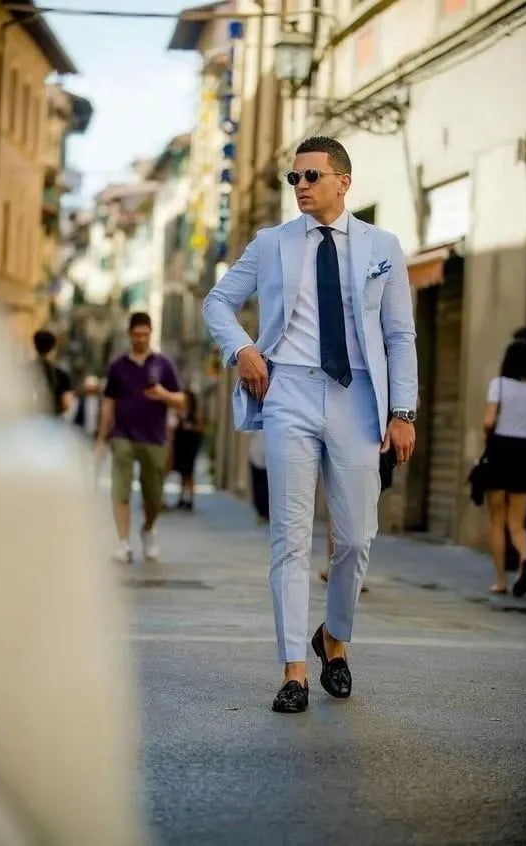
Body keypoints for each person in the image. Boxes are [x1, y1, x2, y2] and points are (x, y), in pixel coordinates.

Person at [203, 136, 417, 713]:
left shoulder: (382, 247)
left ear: (343, 182)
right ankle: (294, 670)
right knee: (290, 536)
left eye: (311, 176)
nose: (300, 186)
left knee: (355, 538)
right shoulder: (271, 243)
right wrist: (243, 349)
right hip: (289, 391)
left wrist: (403, 412)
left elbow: (400, 336)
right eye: (293, 178)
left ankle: (334, 638)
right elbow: (217, 302)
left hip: (358, 397)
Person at [95, 312, 185, 563]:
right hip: (122, 436)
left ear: (151, 333)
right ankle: (123, 543)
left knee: (154, 496)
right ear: (129, 334)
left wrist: (164, 395)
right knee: (120, 490)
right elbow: (108, 405)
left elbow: (181, 400)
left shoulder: (163, 365)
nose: (141, 339)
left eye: (145, 335)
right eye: (137, 335)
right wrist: (101, 439)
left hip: (154, 437)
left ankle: (148, 529)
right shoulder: (117, 367)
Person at [483, 332, 526, 597]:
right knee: (518, 522)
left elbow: (489, 421)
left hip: (501, 450)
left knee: (497, 519)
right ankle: (524, 556)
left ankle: (501, 580)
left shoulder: (499, 385)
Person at [30, 330, 75, 419]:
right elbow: (67, 403)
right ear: (53, 349)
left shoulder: (22, 371)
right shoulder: (61, 375)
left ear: (35, 346)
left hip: (28, 421)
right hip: (51, 421)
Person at [172, 389, 204, 510]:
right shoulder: (178, 412)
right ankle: (181, 498)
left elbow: (201, 428)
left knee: (189, 473)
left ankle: (190, 500)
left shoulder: (195, 413)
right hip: (180, 445)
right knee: (182, 474)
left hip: (190, 446)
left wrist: (191, 427)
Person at [248, 430, 269, 523]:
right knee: (261, 485)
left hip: (259, 454)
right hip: (258, 454)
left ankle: (263, 513)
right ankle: (263, 513)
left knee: (260, 485)